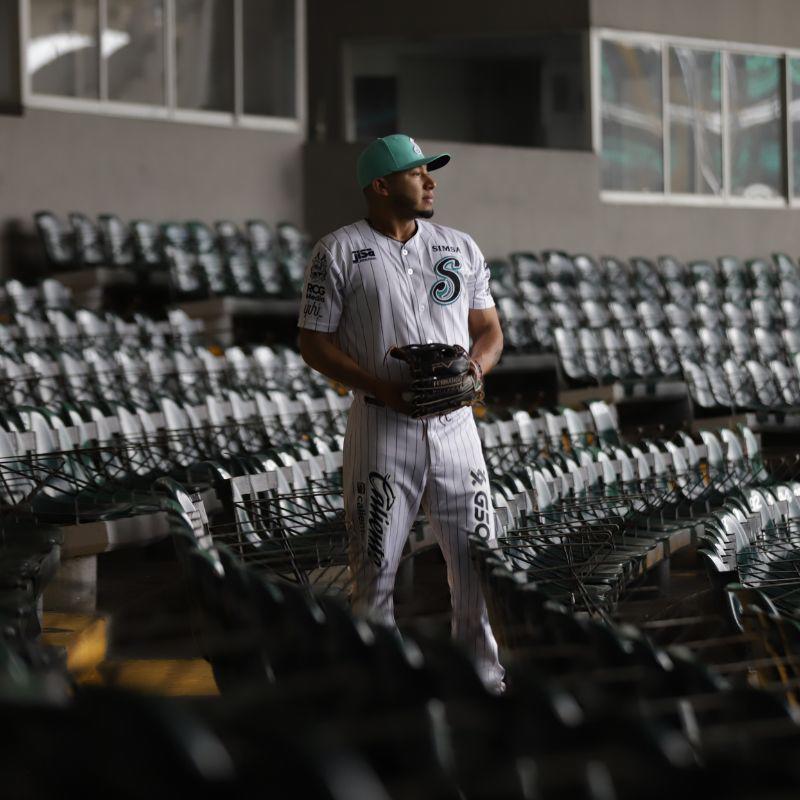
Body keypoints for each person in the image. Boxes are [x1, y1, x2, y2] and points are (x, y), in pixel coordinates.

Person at [297, 134, 505, 692]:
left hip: (457, 429)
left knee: (477, 564)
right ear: (381, 185)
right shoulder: (337, 250)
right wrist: (378, 387)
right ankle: (377, 686)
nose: (431, 181)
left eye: (430, 172)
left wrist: (476, 371)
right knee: (376, 570)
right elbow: (312, 343)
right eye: (418, 173)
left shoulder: (459, 245)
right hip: (382, 427)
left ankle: (483, 679)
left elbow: (488, 330)